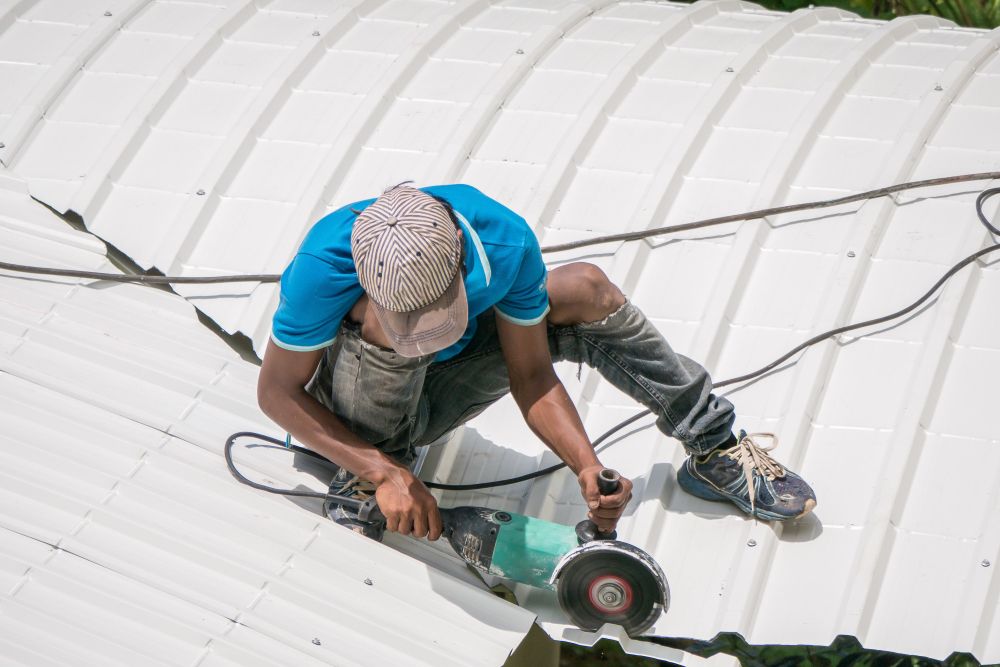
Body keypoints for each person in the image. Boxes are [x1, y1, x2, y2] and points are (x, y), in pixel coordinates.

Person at [257, 183, 816, 541]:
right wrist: (383, 471)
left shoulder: (501, 245)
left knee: (584, 288)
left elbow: (531, 375)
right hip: (360, 409)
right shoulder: (322, 265)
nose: (421, 335)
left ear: (457, 261)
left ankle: (715, 449)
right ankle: (372, 485)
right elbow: (276, 392)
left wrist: (586, 468)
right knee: (376, 332)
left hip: (442, 388)